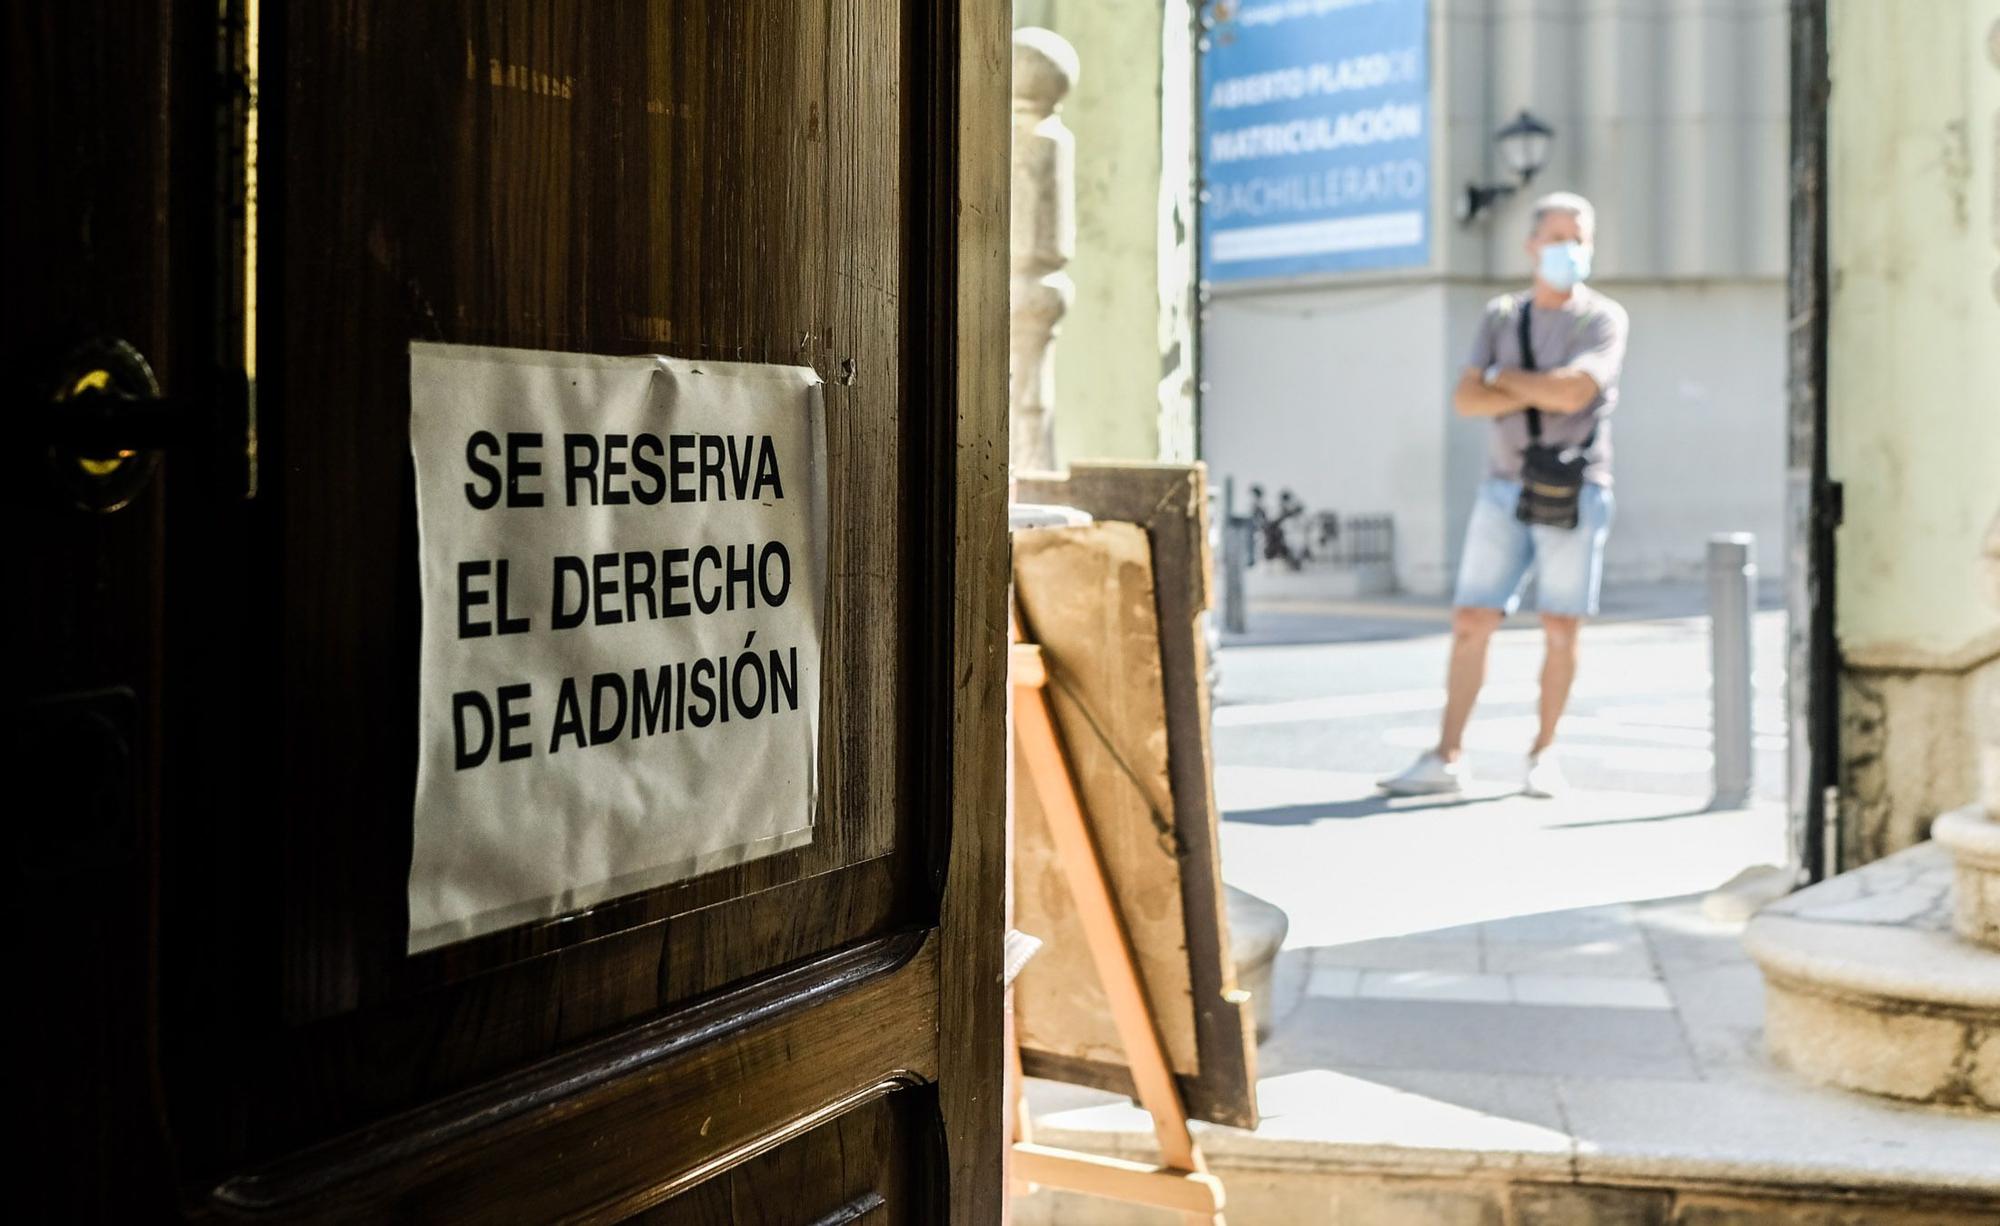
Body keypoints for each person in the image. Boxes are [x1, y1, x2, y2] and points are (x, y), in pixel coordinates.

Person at [1380, 192, 1629, 799]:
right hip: (1503, 487)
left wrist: (1504, 381)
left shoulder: (1602, 319)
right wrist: (1541, 387)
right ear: (1531, 245)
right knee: (1472, 619)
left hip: (1578, 486)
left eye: (1579, 238)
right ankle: (1447, 755)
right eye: (1557, 237)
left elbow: (1576, 394)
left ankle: (1544, 753)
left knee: (1561, 626)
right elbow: (1467, 400)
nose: (1568, 249)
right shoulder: (1501, 316)